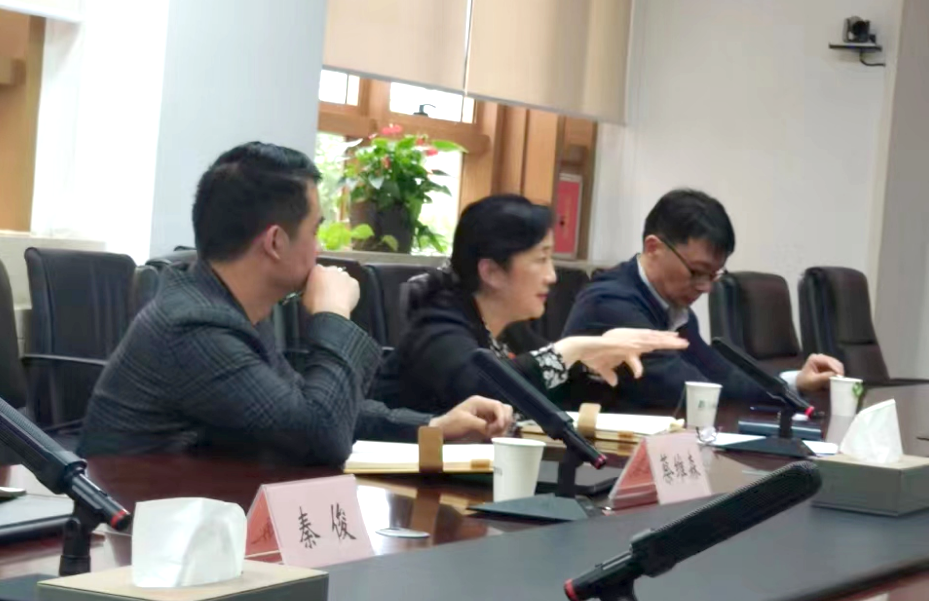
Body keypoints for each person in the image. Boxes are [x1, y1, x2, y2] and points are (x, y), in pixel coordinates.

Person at [78, 142, 512, 466]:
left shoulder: (227, 307)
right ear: (275, 241)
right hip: (137, 536)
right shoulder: (194, 326)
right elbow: (320, 435)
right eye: (315, 230)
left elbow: (307, 408)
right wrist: (333, 316)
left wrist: (433, 427)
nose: (320, 248)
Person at [374, 194, 688, 415]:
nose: (552, 276)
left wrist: (593, 360)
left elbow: (555, 391)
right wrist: (571, 349)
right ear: (491, 271)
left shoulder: (510, 331)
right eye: (541, 259)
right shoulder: (437, 326)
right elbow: (482, 389)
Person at [563, 188, 844, 408]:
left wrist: (795, 382)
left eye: (713, 275)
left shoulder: (673, 307)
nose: (705, 288)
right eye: (697, 272)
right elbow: (687, 389)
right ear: (653, 248)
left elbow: (720, 373)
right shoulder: (610, 304)